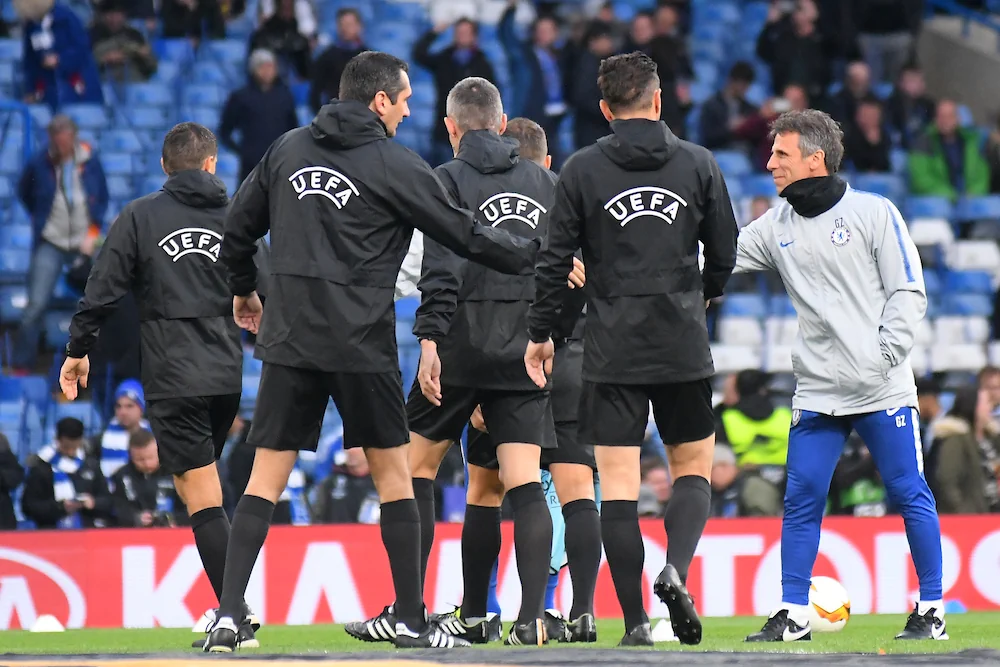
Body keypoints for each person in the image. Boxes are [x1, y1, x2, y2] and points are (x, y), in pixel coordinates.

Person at [204, 51, 541, 652]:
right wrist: (532, 253)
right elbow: (462, 233)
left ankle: (228, 618)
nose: (410, 109)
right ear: (380, 100)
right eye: (405, 98)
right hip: (361, 344)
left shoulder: (287, 150)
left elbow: (237, 228)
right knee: (395, 478)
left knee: (263, 482)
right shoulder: (394, 163)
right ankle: (410, 617)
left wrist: (244, 290)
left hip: (290, 340)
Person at [524, 51, 738, 647]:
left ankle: (637, 623)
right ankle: (676, 570)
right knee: (693, 469)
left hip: (611, 346)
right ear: (658, 99)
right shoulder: (698, 162)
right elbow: (725, 251)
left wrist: (541, 334)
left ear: (604, 108)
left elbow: (553, 261)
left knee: (616, 487)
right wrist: (704, 296)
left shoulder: (581, 169)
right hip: (681, 343)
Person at [731, 109, 945, 642]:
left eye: (781, 154)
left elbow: (909, 290)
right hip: (819, 390)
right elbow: (713, 262)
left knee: (907, 490)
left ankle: (933, 610)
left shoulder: (875, 213)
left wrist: (884, 356)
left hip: (881, 385)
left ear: (814, 159)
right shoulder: (774, 225)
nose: (770, 163)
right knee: (801, 498)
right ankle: (794, 613)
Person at [57, 122, 259, 649]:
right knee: (206, 491)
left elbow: (101, 289)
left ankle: (234, 616)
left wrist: (78, 350)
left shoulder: (141, 216)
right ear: (212, 164)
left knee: (199, 496)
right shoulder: (237, 215)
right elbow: (263, 288)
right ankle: (235, 608)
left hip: (174, 376)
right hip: (226, 378)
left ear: (166, 167)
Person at [14, 114, 108, 372]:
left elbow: (101, 197)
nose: (61, 144)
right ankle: (22, 364)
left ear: (73, 137)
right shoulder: (39, 163)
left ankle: (100, 364)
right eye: (57, 139)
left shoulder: (89, 162)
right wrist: (41, 219)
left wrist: (93, 231)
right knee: (35, 306)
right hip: (51, 241)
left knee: (108, 299)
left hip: (84, 240)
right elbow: (24, 191)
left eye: (65, 139)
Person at [22, 417, 113, 528]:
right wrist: (60, 507)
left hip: (87, 530)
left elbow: (108, 500)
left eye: (74, 447)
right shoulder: (42, 467)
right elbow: (29, 507)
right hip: (52, 532)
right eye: (66, 447)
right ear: (57, 440)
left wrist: (93, 503)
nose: (70, 452)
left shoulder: (90, 464)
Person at [111, 429, 187, 527]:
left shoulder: (175, 473)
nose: (146, 463)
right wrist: (135, 518)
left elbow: (189, 508)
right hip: (134, 535)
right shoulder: (121, 476)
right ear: (130, 456)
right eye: (140, 459)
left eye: (150, 457)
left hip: (172, 533)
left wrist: (173, 519)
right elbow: (116, 508)